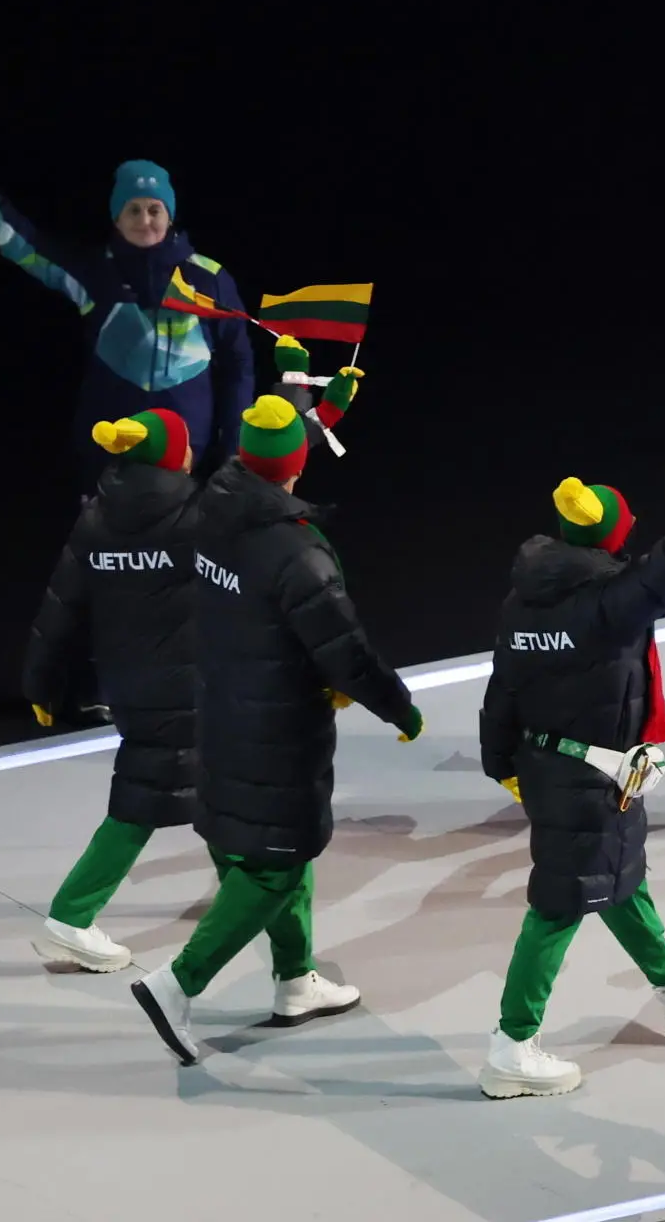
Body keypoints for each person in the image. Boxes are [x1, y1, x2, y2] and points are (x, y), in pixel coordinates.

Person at [129, 390, 419, 1065]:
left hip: (218, 702)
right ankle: (178, 984)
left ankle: (295, 980)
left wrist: (310, 413)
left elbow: (264, 458)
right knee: (274, 866)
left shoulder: (213, 504)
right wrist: (398, 706)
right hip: (280, 725)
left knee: (258, 845)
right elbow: (344, 651)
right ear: (292, 467)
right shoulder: (298, 553)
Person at [475, 461, 665, 1101]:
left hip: (553, 767)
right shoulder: (609, 604)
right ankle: (511, 1046)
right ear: (611, 537)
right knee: (559, 906)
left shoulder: (524, 599)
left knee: (615, 874)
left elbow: (504, 688)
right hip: (590, 773)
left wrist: (499, 762)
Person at [0, 147, 255, 483]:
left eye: (154, 209)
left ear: (170, 215)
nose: (145, 220)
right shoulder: (94, 273)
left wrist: (233, 448)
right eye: (132, 210)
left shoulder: (208, 278)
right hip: (109, 461)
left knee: (180, 535)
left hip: (186, 460)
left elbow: (238, 365)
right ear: (116, 217)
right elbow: (26, 247)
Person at [19, 406, 201, 972]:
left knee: (204, 785)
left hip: (127, 687)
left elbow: (59, 609)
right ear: (172, 455)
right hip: (192, 685)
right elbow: (268, 483)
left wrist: (41, 685)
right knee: (148, 802)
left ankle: (259, 895)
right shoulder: (198, 513)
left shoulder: (96, 517)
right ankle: (70, 918)